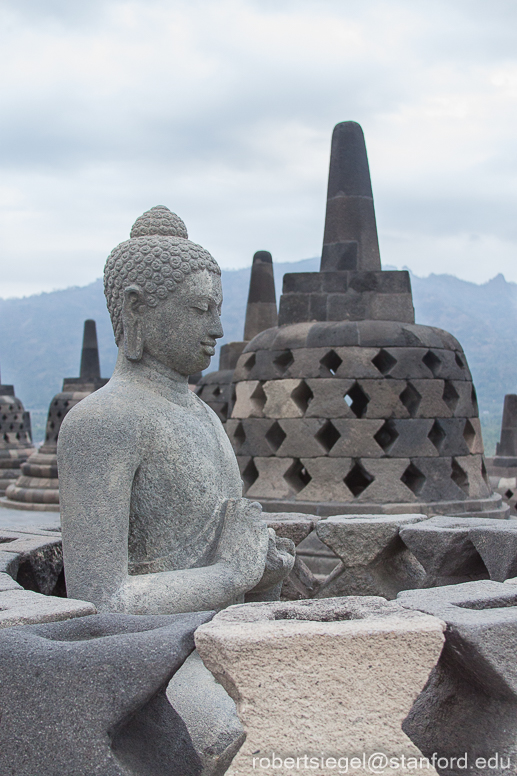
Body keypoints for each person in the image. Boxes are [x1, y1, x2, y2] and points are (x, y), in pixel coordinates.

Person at [58, 206, 294, 614]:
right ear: (136, 308)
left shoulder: (206, 417)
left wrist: (261, 574)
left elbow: (234, 589)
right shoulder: (101, 423)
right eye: (200, 309)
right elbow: (97, 600)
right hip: (149, 652)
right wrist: (231, 575)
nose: (217, 329)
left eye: (218, 310)